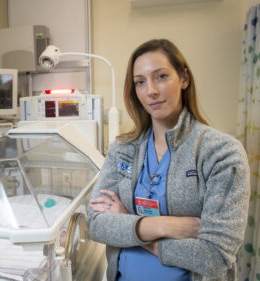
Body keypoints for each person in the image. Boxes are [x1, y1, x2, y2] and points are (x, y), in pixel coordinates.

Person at [87, 39, 250, 281]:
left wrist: (128, 226)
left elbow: (215, 257)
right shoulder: (123, 149)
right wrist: (166, 226)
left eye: (161, 76)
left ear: (184, 79)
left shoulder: (221, 153)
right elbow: (96, 224)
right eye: (140, 82)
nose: (150, 90)